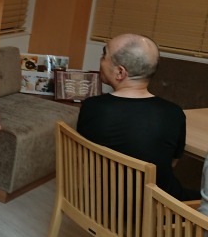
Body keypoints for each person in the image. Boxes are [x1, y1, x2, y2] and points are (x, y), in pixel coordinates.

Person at [77, 33, 198, 201]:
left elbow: (84, 157)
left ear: (120, 72)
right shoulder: (174, 113)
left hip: (100, 201)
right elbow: (171, 163)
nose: (101, 60)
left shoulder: (91, 106)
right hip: (157, 206)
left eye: (104, 55)